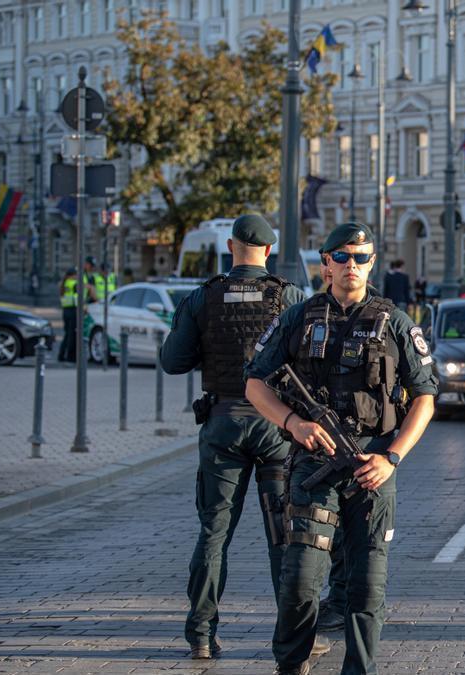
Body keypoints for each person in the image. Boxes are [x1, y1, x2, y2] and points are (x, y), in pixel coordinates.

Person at [245, 222, 437, 675]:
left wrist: (392, 458)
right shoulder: (299, 317)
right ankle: (290, 666)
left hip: (372, 468)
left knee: (367, 589)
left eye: (362, 257)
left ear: (372, 263)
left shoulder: (396, 322)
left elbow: (425, 398)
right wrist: (294, 423)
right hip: (314, 466)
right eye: (343, 257)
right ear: (325, 264)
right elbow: (255, 384)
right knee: (299, 582)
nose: (353, 265)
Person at [157, 214, 318, 660]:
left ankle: (201, 636)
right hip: (275, 427)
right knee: (284, 536)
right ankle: (294, 638)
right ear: (268, 251)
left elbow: (173, 361)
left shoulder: (203, 297)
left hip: (223, 423)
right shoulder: (289, 297)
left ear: (230, 247)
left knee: (214, 532)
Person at [58, 268, 83, 362]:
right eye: (75, 275)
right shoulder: (74, 284)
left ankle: (61, 355)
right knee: (72, 335)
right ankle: (70, 356)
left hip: (66, 310)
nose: (77, 277)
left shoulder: (64, 283)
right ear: (72, 275)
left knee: (67, 334)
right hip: (73, 310)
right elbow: (77, 298)